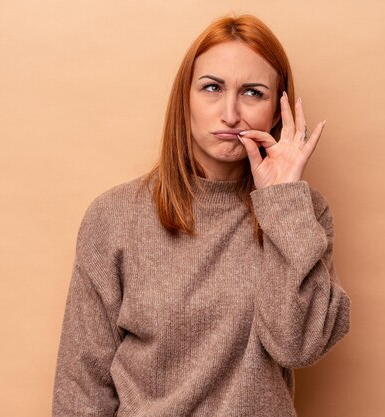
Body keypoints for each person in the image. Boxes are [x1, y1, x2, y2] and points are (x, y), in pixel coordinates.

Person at [52, 13, 351, 417]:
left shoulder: (303, 212)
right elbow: (81, 388)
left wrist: (282, 203)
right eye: (212, 88)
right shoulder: (114, 218)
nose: (230, 113)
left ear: (277, 112)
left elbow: (297, 345)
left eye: (253, 93)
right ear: (185, 99)